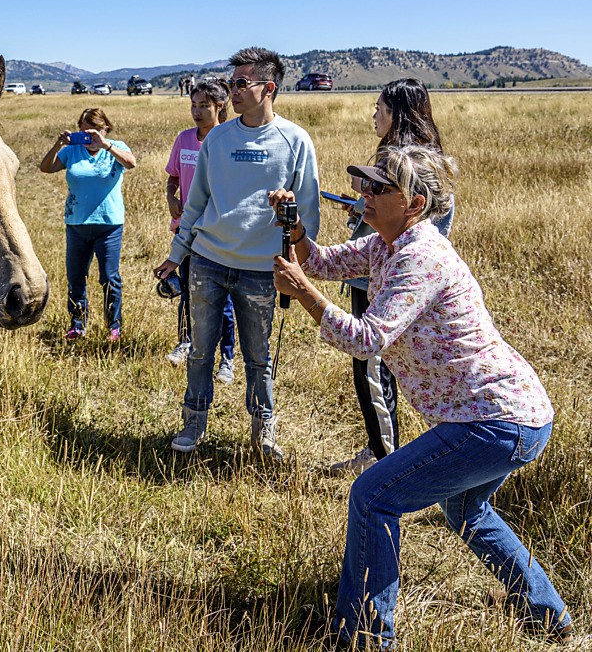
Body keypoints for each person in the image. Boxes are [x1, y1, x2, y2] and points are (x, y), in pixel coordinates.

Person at [270, 144, 573, 649]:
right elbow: (321, 261)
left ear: (415, 203)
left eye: (378, 188)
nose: (363, 194)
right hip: (509, 417)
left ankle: (364, 638)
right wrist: (296, 230)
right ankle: (548, 615)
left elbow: (366, 339)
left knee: (373, 497)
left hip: (497, 421)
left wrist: (303, 292)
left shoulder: (421, 257)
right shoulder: (386, 243)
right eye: (364, 184)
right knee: (466, 513)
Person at [153, 47, 321, 456]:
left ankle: (263, 429)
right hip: (208, 262)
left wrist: (298, 260)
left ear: (269, 88)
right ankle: (193, 423)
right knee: (200, 350)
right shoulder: (219, 139)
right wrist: (177, 254)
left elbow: (309, 214)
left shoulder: (295, 141)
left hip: (261, 270)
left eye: (242, 83)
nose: (234, 90)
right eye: (232, 83)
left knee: (258, 358)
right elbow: (195, 203)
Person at [332, 78, 456, 476]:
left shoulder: (406, 166)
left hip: (382, 281)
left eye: (380, 108)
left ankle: (383, 458)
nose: (373, 115)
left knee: (372, 365)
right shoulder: (424, 160)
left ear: (396, 114)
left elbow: (421, 230)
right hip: (380, 272)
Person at [40, 108, 137, 341]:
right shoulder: (72, 150)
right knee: (76, 277)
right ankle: (77, 325)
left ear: (105, 129)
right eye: (83, 132)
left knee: (109, 277)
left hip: (109, 224)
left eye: (93, 132)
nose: (88, 138)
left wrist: (106, 145)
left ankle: (114, 326)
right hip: (77, 223)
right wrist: (58, 145)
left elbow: (131, 163)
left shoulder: (116, 146)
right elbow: (46, 167)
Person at [163, 80, 237, 384]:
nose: (196, 111)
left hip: (219, 233)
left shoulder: (229, 140)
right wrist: (171, 196)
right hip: (187, 231)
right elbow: (173, 177)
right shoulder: (183, 140)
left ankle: (227, 358)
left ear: (219, 107)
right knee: (188, 291)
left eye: (203, 105)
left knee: (225, 300)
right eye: (193, 105)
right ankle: (187, 341)